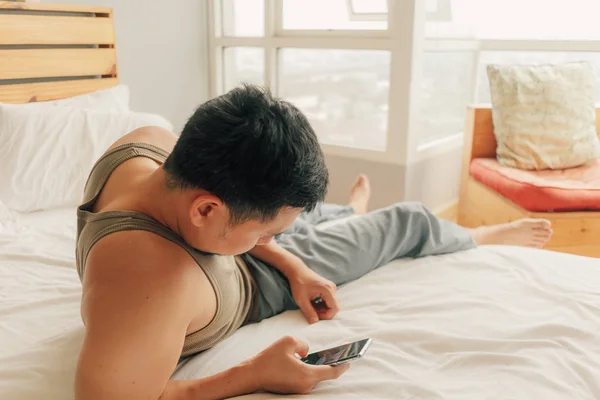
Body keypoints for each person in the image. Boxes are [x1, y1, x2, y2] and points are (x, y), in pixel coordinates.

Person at [74, 84, 553, 400]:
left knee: (289, 215)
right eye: (265, 232)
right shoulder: (150, 281)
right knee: (406, 220)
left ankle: (342, 215)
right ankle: (474, 234)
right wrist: (255, 373)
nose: (270, 238)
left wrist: (291, 262)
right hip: (252, 280)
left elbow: (223, 219)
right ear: (205, 210)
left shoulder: (148, 145)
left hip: (240, 251)